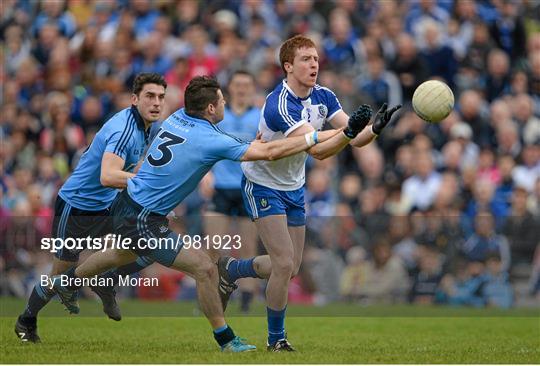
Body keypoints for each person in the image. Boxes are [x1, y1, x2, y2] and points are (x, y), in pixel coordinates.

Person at [49, 75, 369, 352]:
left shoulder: (176, 117)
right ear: (212, 108)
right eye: (222, 100)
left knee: (119, 255)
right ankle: (226, 338)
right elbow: (270, 152)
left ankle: (67, 282)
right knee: (204, 267)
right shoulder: (210, 139)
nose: (226, 103)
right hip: (143, 218)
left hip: (130, 204)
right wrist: (316, 135)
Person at [217, 35, 401, 351]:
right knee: (284, 262)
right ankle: (277, 340)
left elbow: (354, 141)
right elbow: (317, 150)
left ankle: (233, 269)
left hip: (293, 186)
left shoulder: (325, 96)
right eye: (305, 59)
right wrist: (349, 132)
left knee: (290, 266)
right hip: (263, 184)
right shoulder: (279, 104)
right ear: (288, 66)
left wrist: (374, 129)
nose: (313, 64)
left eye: (315, 58)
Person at [14, 73, 167, 343]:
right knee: (60, 275)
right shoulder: (125, 130)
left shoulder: (145, 126)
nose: (157, 103)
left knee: (152, 244)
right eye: (150, 96)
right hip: (76, 207)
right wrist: (146, 183)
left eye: (161, 97)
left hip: (107, 205)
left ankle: (106, 281)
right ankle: (26, 320)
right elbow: (108, 176)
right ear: (135, 99)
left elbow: (125, 172)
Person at [204, 70, 260, 313]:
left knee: (248, 247)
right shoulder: (218, 117)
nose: (241, 89)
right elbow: (204, 148)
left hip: (249, 188)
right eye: (237, 84)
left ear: (252, 89)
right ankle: (212, 297)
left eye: (246, 84)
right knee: (214, 246)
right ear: (230, 89)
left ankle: (247, 299)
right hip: (221, 189)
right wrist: (205, 174)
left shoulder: (260, 117)